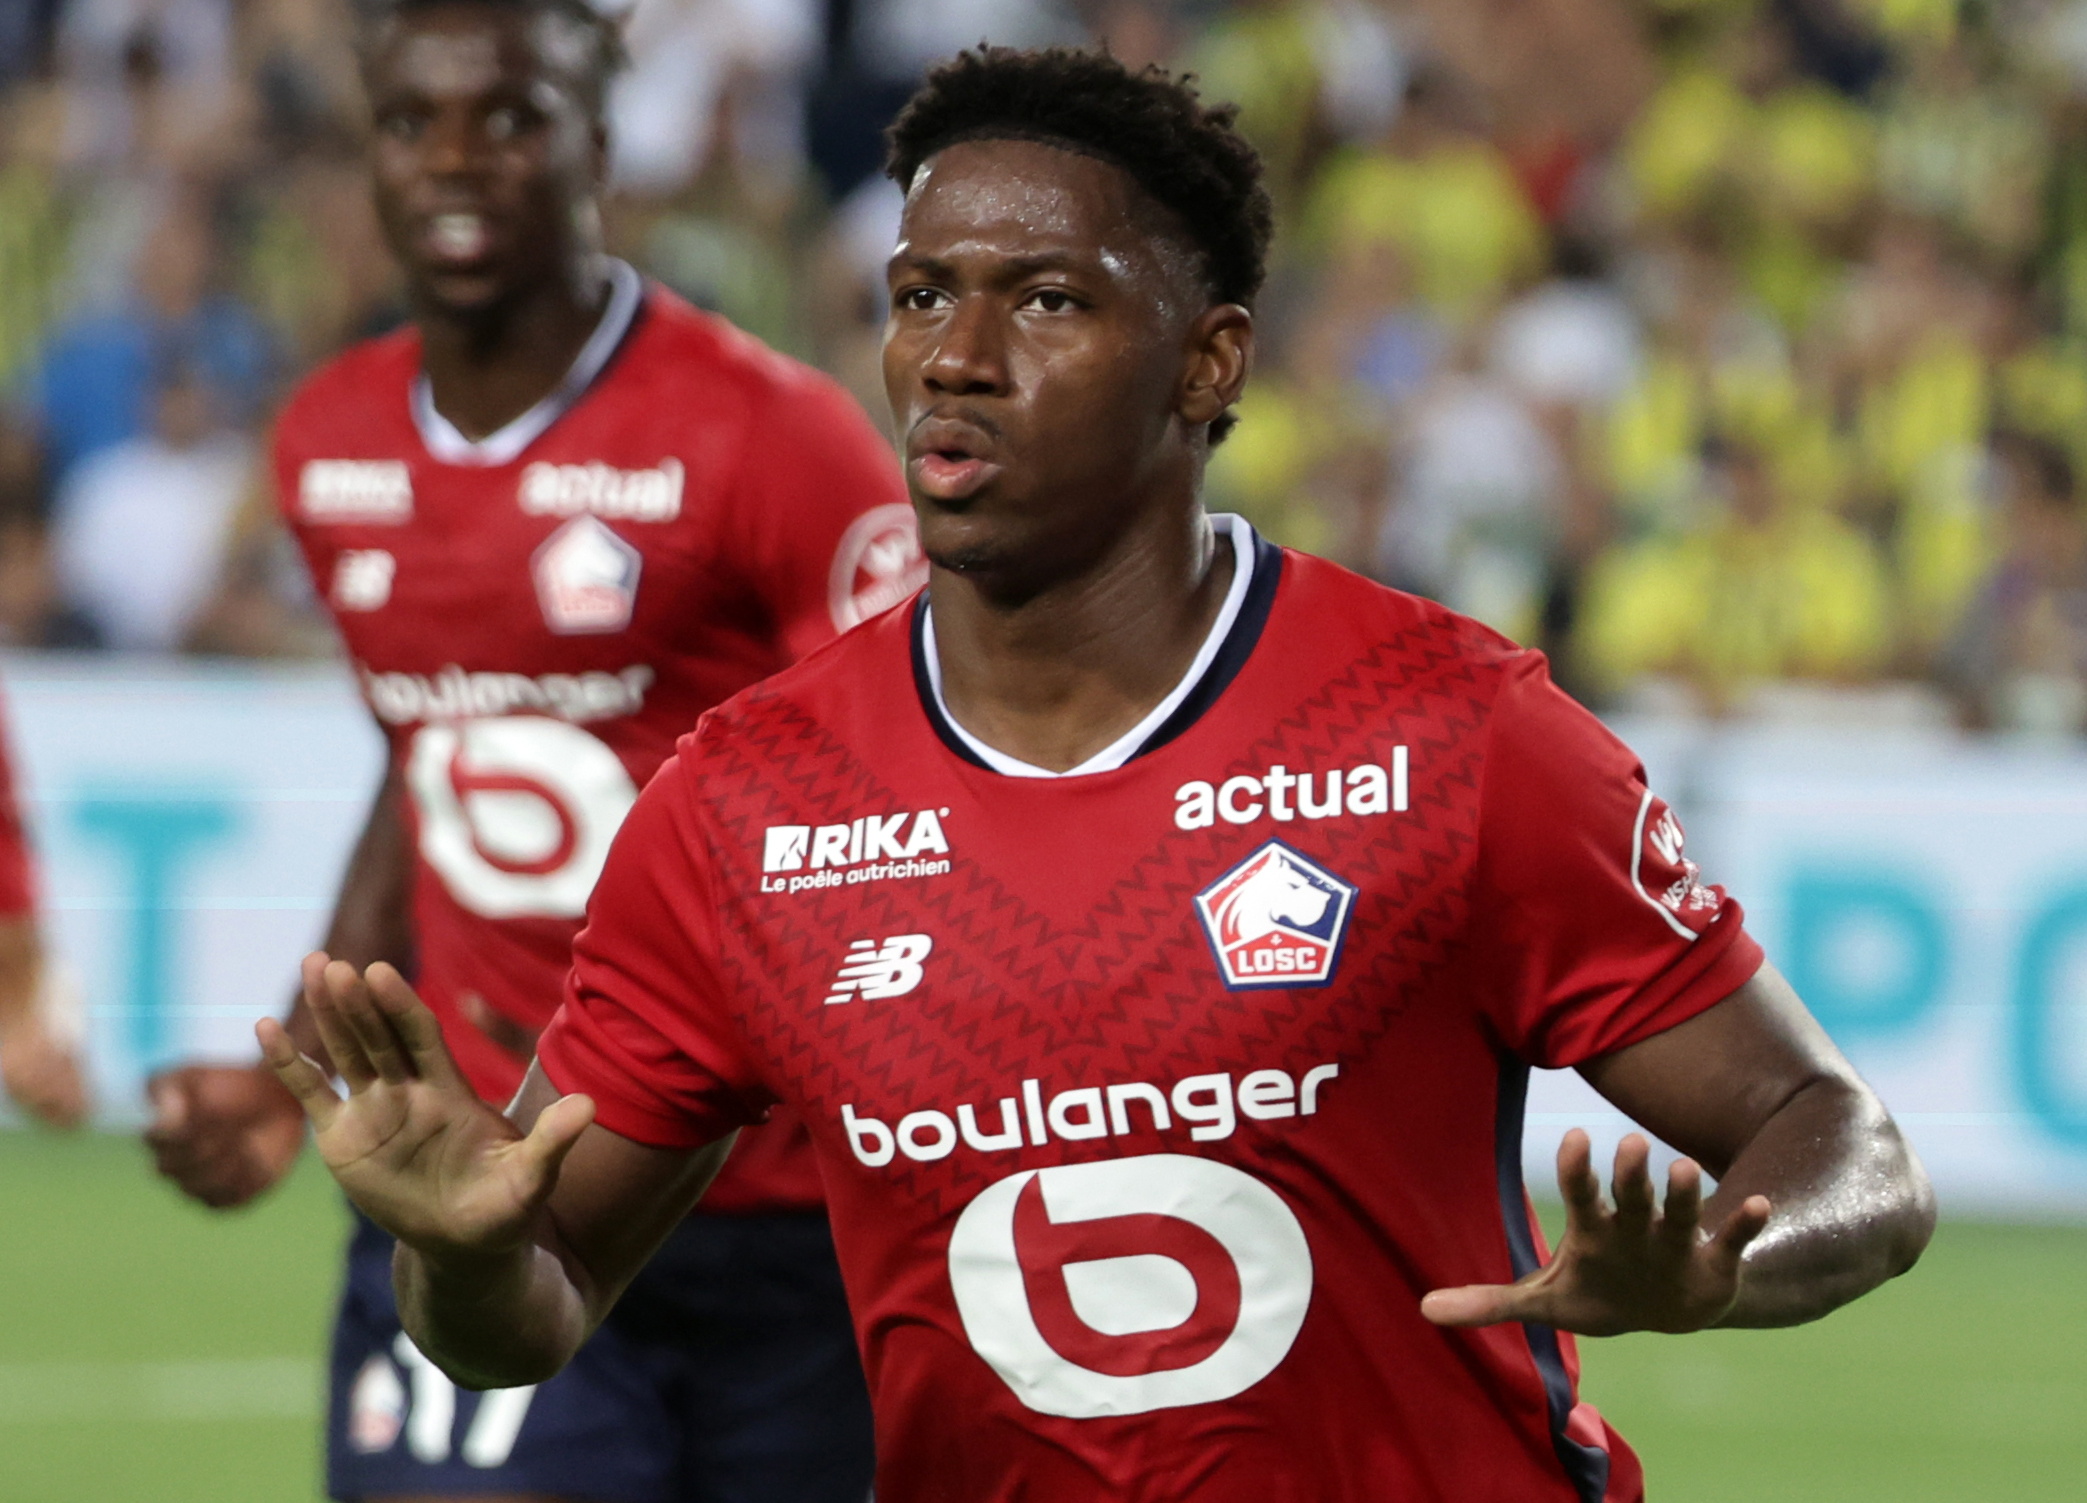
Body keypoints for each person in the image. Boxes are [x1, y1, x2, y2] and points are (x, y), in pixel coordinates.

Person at [261, 47, 1936, 1503]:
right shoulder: (743, 806)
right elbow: (527, 1311)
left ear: (1208, 364)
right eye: (922, 295)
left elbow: (1844, 1142)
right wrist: (461, 1252)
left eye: (1046, 299)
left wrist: (1731, 1261)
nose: (955, 355)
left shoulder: (1451, 732)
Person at [143, 2, 919, 1500]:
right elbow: (422, 764)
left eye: (508, 119)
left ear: (597, 143)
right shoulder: (327, 440)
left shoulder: (770, 438)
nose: (455, 161)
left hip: (787, 1216)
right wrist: (293, 1059)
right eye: (410, 122)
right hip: (480, 1190)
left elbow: (923, 776)